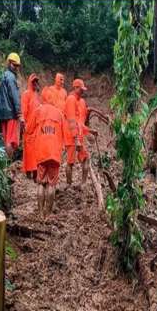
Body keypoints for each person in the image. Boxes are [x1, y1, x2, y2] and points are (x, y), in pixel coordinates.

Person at [26, 89, 65, 218]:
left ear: (43, 98)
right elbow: (66, 134)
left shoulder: (38, 111)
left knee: (41, 182)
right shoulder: (59, 114)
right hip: (55, 153)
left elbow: (28, 129)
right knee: (52, 184)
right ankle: (48, 215)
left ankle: (40, 213)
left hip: (41, 152)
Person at [64, 79, 98, 186]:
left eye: (83, 89)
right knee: (70, 162)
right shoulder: (70, 100)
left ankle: (83, 184)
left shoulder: (80, 102)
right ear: (75, 88)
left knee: (86, 158)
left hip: (79, 136)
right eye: (81, 89)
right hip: (71, 137)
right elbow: (71, 121)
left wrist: (90, 130)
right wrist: (76, 139)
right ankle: (69, 185)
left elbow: (80, 123)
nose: (82, 91)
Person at [0, 53, 23, 159]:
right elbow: (15, 96)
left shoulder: (3, 77)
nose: (16, 68)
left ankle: (6, 164)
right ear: (9, 63)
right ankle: (9, 164)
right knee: (10, 141)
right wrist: (19, 113)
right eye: (14, 65)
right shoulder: (11, 78)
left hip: (3, 115)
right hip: (11, 114)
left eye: (17, 66)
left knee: (6, 140)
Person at [21, 73, 41, 180]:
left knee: (35, 151)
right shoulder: (26, 94)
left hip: (37, 128)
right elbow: (23, 110)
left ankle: (35, 173)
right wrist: (23, 122)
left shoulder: (37, 96)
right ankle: (29, 173)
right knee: (28, 151)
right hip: (29, 128)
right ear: (30, 82)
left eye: (37, 82)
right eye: (34, 82)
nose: (36, 84)